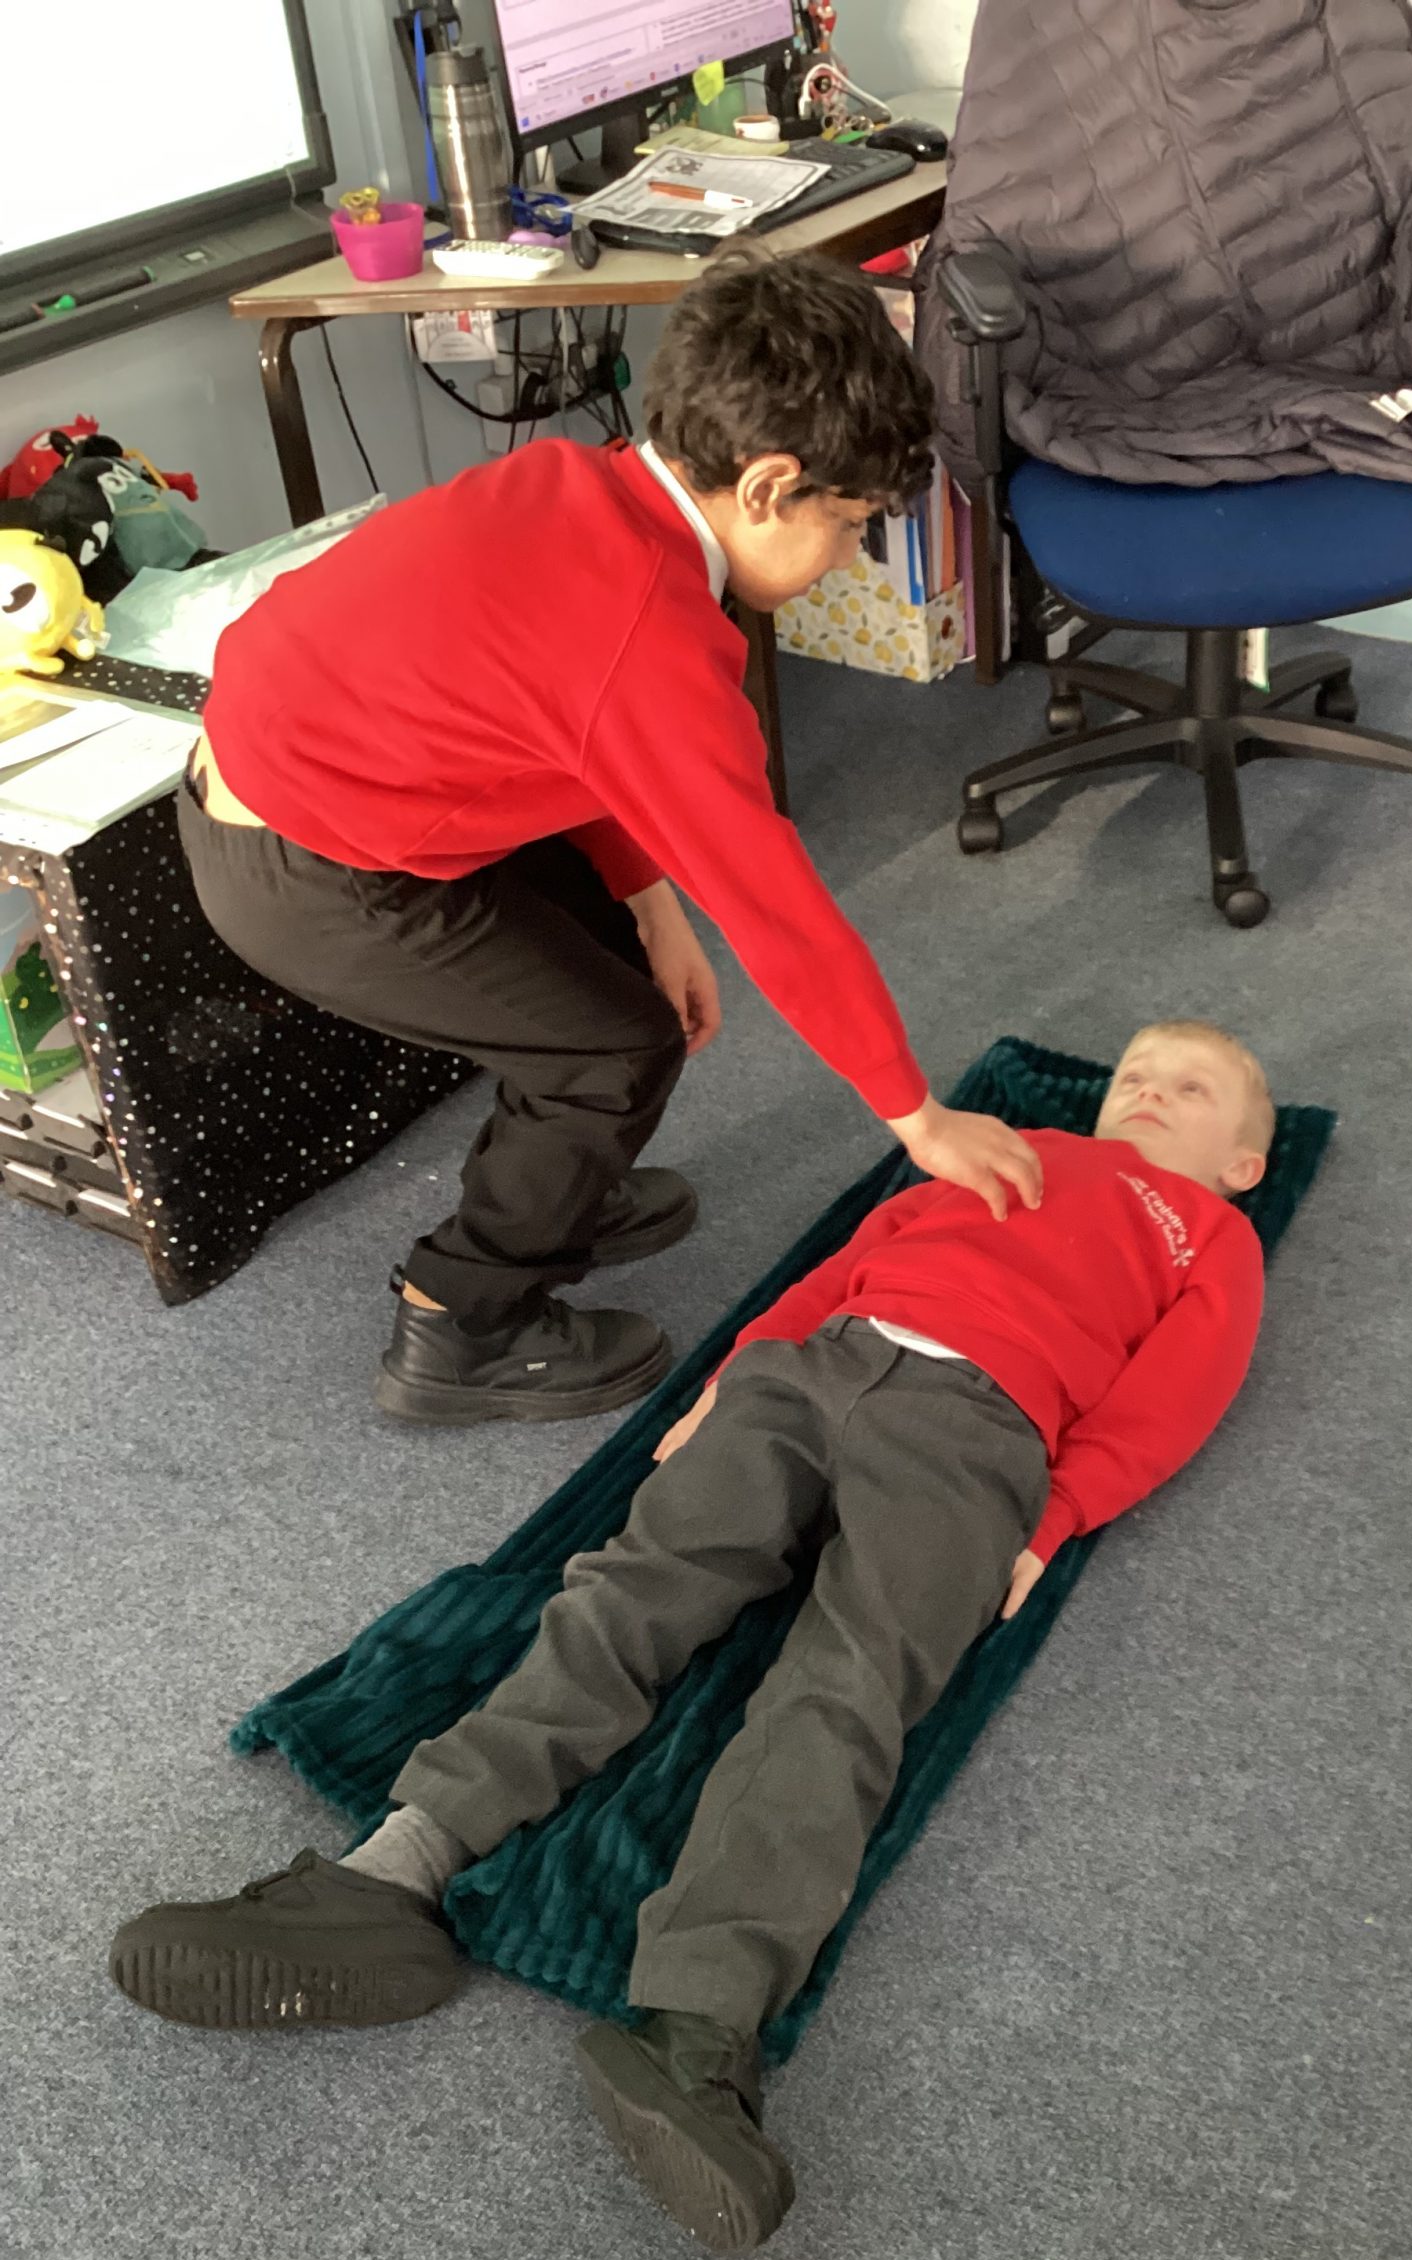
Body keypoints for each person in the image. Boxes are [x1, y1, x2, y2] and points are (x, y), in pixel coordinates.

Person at [112, 1024, 1275, 2251]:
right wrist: (738, 1370)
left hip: (984, 1433)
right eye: (1136, 1072)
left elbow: (1176, 1395)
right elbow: (849, 1258)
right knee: (629, 1591)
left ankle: (697, 2032)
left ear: (1245, 1160)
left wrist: (1059, 1512)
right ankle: (391, 1872)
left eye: (1191, 1085)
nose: (1149, 1089)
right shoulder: (1013, 1144)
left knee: (850, 1688)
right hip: (814, 1368)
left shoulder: (1209, 1232)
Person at [176, 250, 1040, 1424]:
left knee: (621, 966)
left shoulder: (578, 483)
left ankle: (561, 1186)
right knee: (614, 1047)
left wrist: (649, 901)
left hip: (316, 779)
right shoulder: (653, 643)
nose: (846, 555)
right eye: (848, 525)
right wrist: (917, 1117)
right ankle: (461, 1319)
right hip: (309, 867)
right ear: (769, 487)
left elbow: (567, 735)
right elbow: (778, 912)